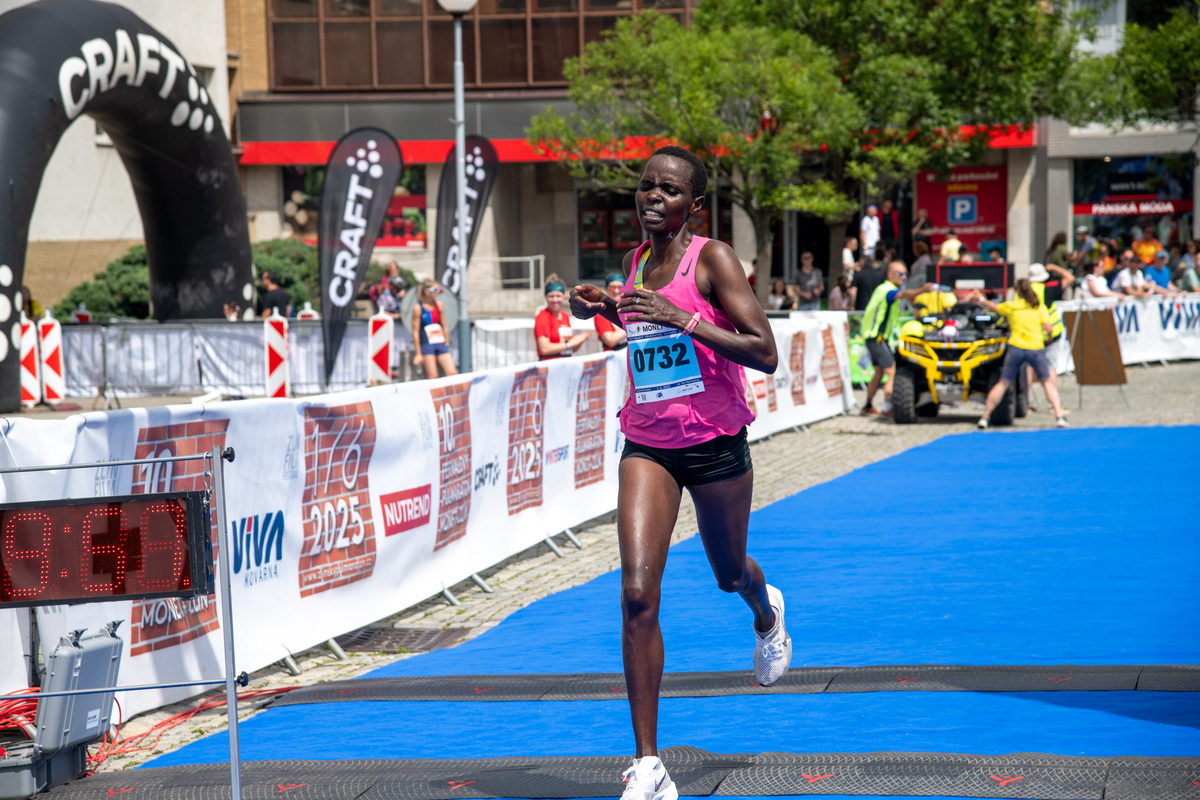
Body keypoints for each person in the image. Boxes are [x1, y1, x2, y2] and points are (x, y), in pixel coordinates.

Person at [568, 146, 788, 800]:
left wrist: (684, 317)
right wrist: (604, 310)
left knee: (729, 573)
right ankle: (648, 765)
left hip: (715, 442)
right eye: (646, 186)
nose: (653, 197)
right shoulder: (635, 262)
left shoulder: (713, 258)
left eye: (668, 190)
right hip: (648, 442)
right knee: (637, 593)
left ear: (694, 205)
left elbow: (764, 351)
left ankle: (766, 610)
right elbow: (648, 330)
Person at [968, 281, 1067, 429]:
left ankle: (985, 417)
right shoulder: (1038, 307)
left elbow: (993, 307)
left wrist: (981, 299)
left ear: (1018, 292)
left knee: (1003, 383)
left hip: (1016, 348)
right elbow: (1049, 328)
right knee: (1046, 382)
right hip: (1035, 348)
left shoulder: (1013, 306)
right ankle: (1059, 416)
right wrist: (1048, 338)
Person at [860, 260, 934, 418]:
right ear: (890, 274)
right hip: (878, 337)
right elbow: (902, 295)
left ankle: (868, 405)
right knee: (892, 372)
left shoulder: (882, 289)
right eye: (901, 274)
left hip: (874, 336)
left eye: (905, 274)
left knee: (879, 372)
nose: (904, 277)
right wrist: (921, 290)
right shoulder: (888, 290)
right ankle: (888, 408)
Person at [535, 274, 590, 359]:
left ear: (563, 297)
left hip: (565, 362)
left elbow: (568, 349)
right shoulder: (542, 316)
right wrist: (570, 343)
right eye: (551, 296)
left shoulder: (565, 316)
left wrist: (579, 341)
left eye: (558, 296)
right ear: (546, 297)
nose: (555, 300)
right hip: (549, 363)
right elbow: (544, 349)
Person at [411, 279, 458, 378]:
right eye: (435, 290)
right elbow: (415, 331)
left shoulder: (439, 305)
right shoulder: (418, 308)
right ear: (427, 292)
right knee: (433, 376)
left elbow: (444, 326)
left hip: (440, 343)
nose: (438, 292)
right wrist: (418, 353)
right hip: (427, 344)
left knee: (452, 373)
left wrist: (446, 341)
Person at [595, 273, 629, 349]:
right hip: (613, 355)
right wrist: (631, 325)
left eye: (619, 287)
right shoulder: (602, 313)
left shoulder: (630, 309)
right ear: (606, 290)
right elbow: (610, 341)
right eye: (612, 288)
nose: (616, 291)